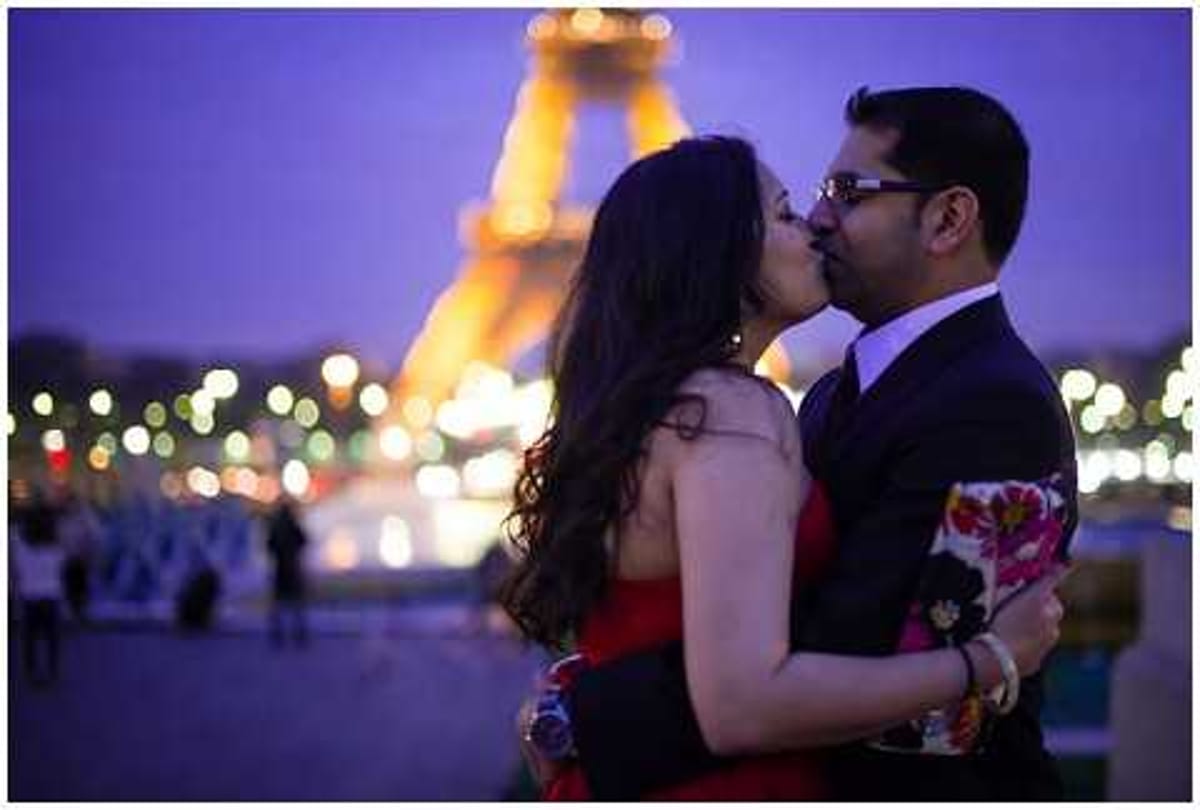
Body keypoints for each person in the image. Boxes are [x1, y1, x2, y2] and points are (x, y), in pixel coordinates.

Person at [500, 123, 1071, 800]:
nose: (817, 225)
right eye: (787, 213)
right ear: (720, 250)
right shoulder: (732, 412)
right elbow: (744, 697)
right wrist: (988, 659)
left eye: (846, 193)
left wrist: (576, 706)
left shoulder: (656, 414)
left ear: (951, 217)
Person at [11, 497, 67, 687]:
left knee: (30, 639)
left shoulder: (20, 544)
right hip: (50, 595)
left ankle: (31, 673)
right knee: (52, 639)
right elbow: (60, 568)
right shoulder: (55, 546)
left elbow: (16, 571)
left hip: (29, 596)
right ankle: (52, 672)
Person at [265, 498, 310, 647]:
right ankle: (298, 632)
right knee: (296, 603)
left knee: (279, 603)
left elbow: (269, 547)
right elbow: (304, 541)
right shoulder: (293, 526)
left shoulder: (276, 528)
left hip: (280, 570)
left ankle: (278, 632)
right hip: (293, 569)